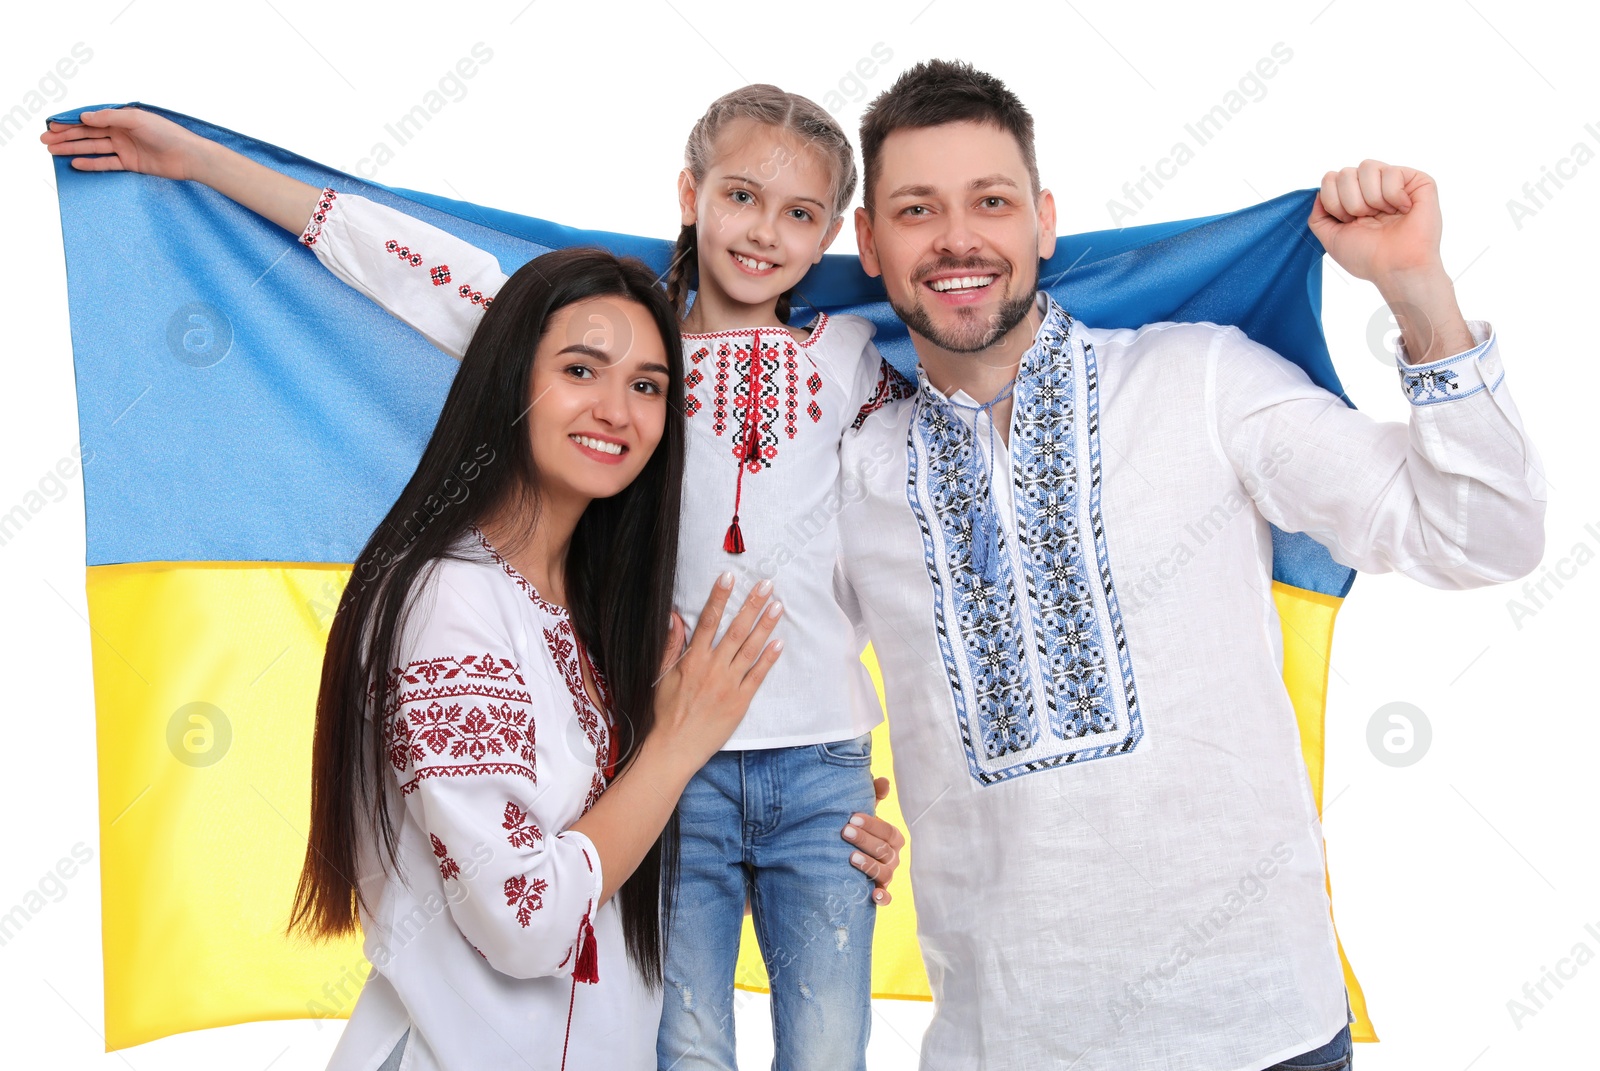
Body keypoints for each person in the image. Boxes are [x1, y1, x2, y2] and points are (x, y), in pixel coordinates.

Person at [44, 87, 907, 1071]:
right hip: (649, 798)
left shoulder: (848, 366)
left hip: (805, 768)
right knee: (695, 1040)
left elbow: (937, 498)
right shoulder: (480, 578)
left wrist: (855, 774)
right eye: (742, 197)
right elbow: (413, 269)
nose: (764, 232)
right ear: (690, 193)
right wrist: (204, 165)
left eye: (800, 214)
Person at [829, 60, 1545, 1070]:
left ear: (1042, 220)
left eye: (988, 201)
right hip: (1003, 1044)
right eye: (915, 209)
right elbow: (763, 687)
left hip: (1263, 1031)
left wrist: (1413, 288)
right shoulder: (845, 469)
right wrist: (820, 811)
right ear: (867, 242)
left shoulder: (1198, 380)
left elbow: (1482, 537)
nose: (956, 238)